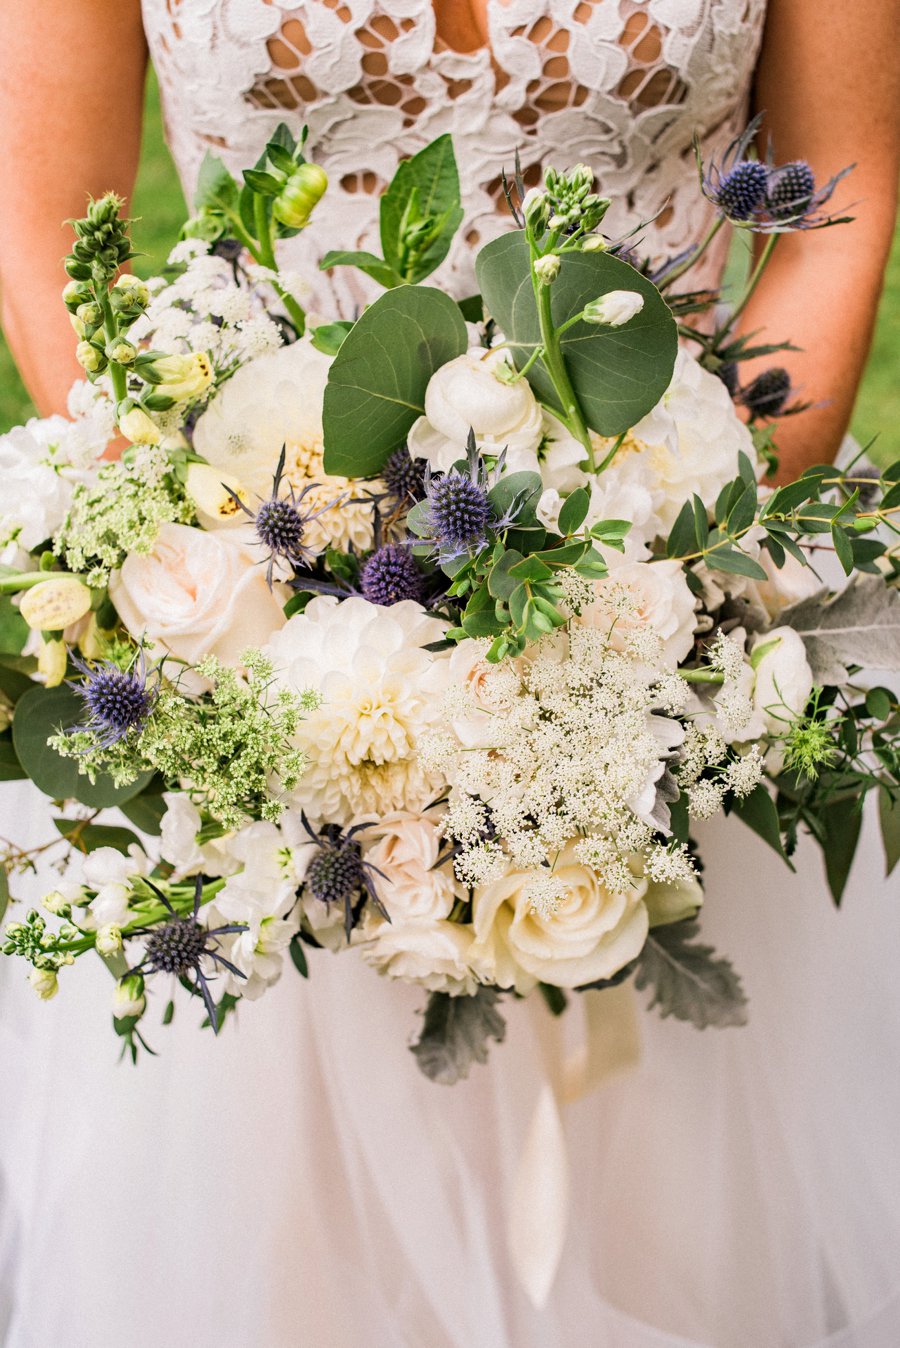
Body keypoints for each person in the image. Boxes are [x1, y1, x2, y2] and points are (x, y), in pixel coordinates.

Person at [0, 3, 899, 1345]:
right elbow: (44, 203)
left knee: (682, 1241)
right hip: (264, 679)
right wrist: (239, 591)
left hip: (672, 650)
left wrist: (672, 590)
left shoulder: (674, 618)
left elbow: (844, 180)